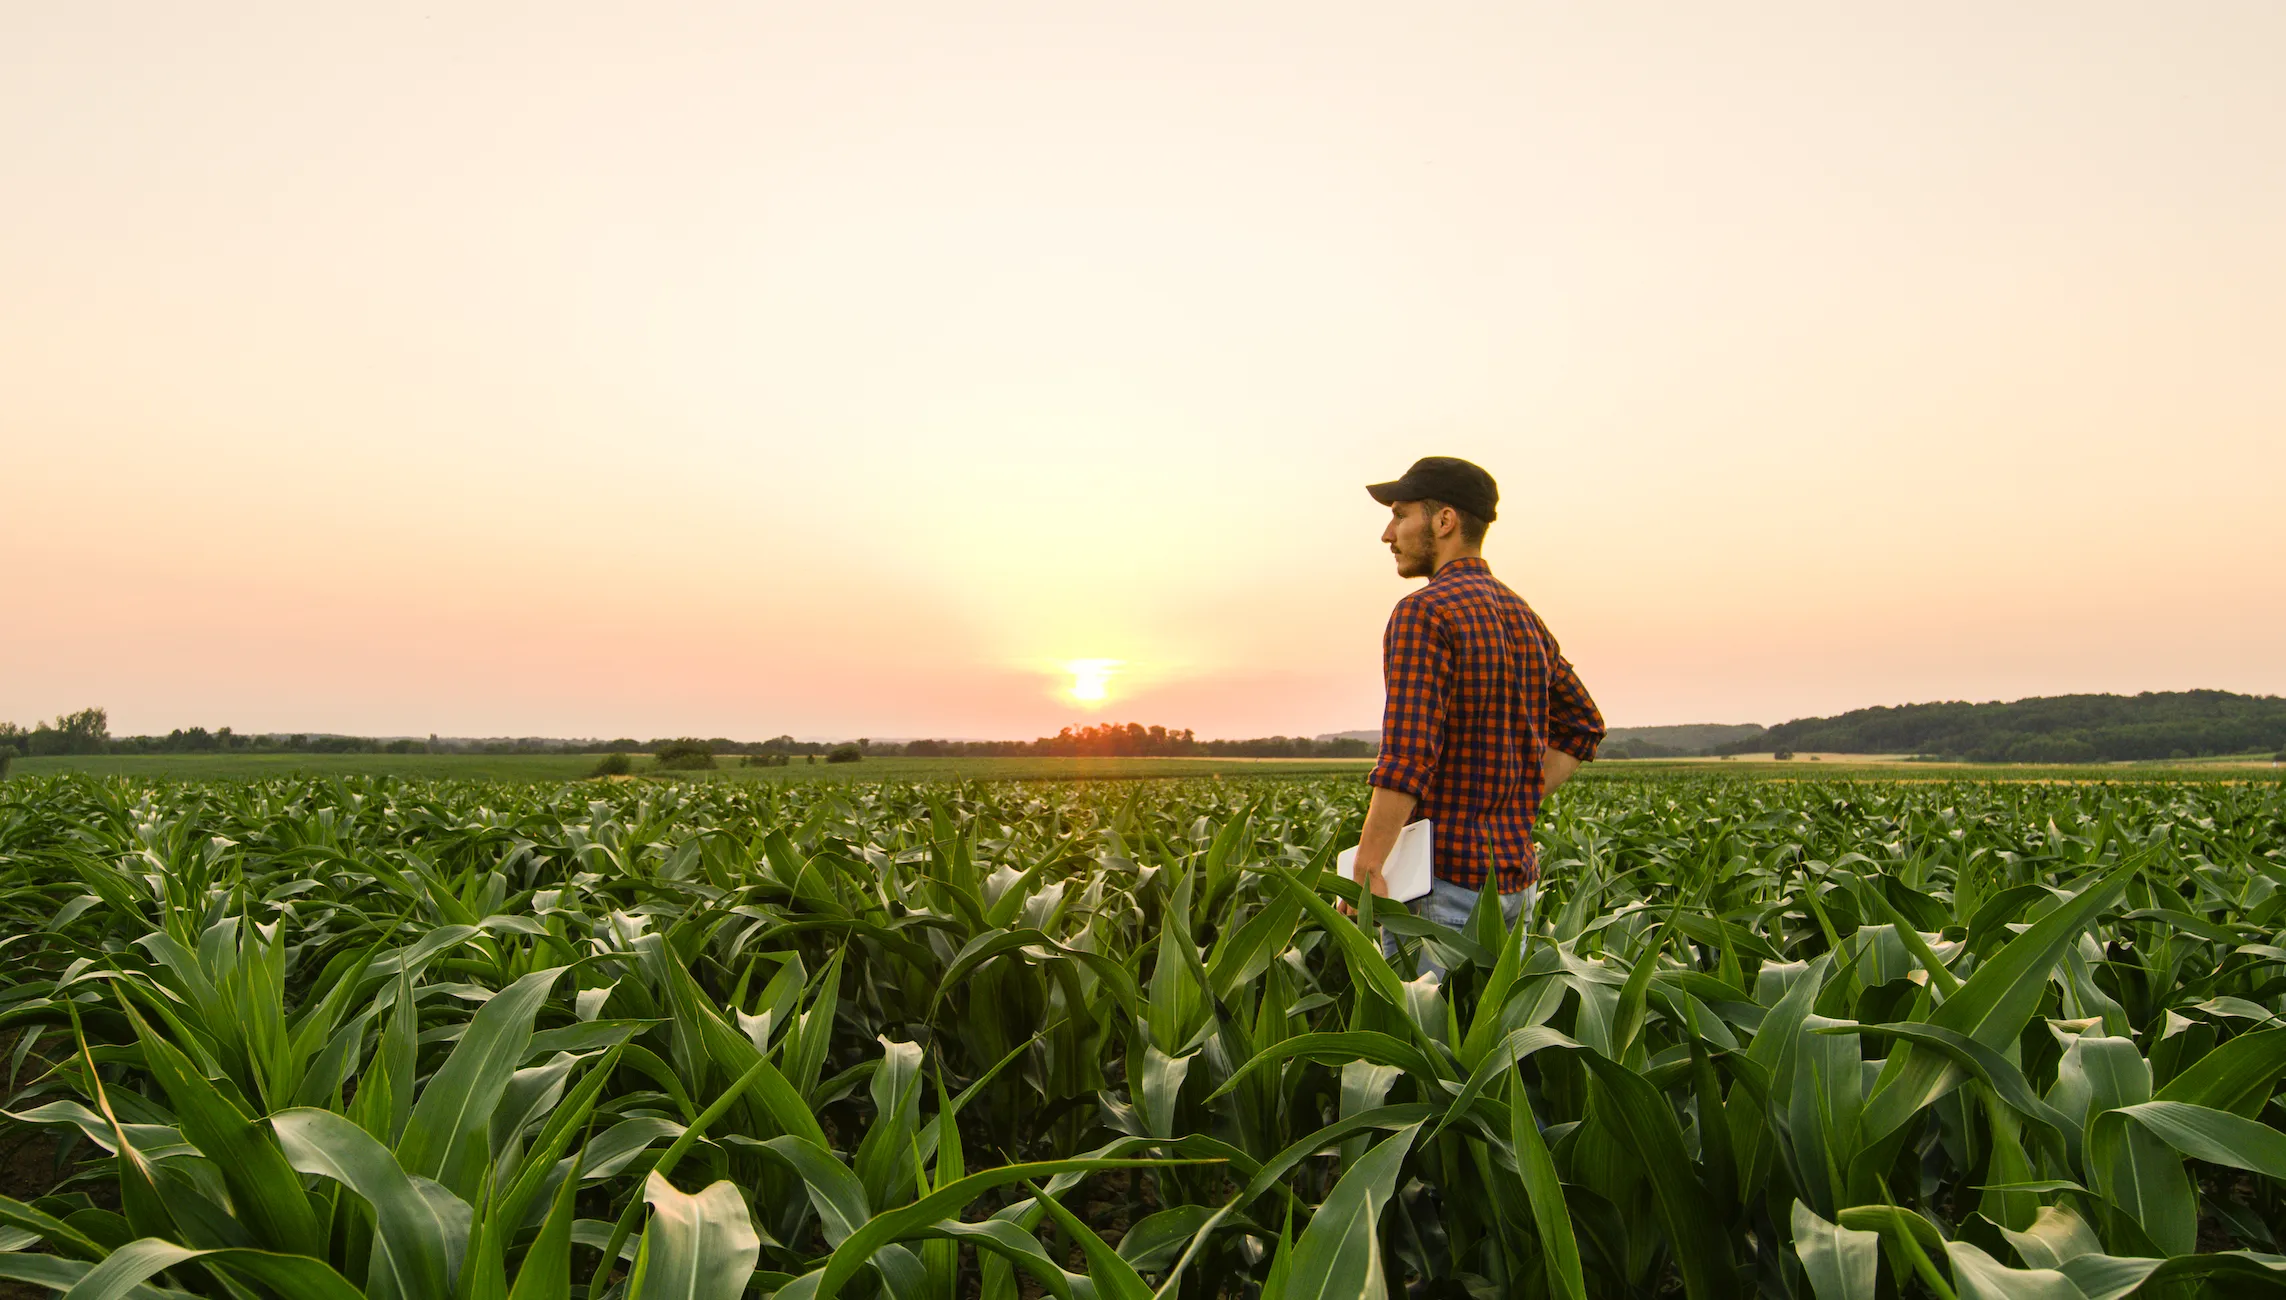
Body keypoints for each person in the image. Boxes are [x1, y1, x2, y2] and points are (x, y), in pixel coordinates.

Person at [1349, 456, 1605, 977]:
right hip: (1515, 887)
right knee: (1495, 1048)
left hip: (1440, 892)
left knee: (1421, 1046)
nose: (1387, 533)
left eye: (1400, 515)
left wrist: (1368, 866)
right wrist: (1511, 797)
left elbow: (1407, 758)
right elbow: (1584, 724)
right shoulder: (1521, 614)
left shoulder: (1424, 612)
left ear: (1444, 521)